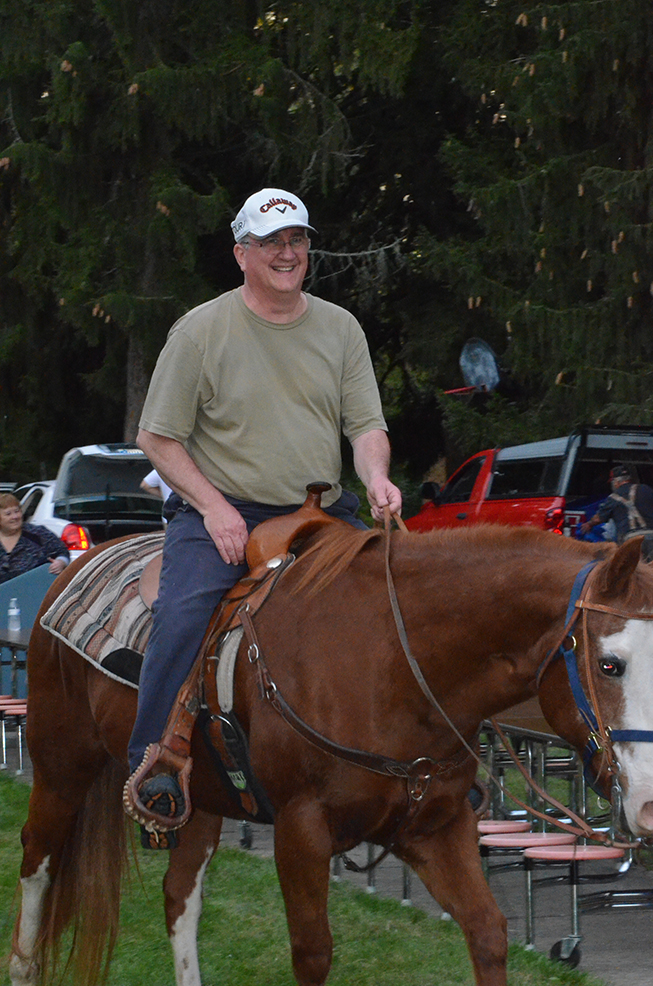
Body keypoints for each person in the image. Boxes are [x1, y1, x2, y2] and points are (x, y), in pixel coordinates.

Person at [125, 187, 402, 832]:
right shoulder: (200, 330)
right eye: (272, 242)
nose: (287, 252)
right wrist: (215, 508)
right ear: (241, 253)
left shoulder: (340, 327)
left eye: (298, 239)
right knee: (186, 612)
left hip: (320, 513)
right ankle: (155, 766)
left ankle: (423, 763)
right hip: (224, 512)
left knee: (402, 597)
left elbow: (365, 427)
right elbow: (157, 438)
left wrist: (379, 476)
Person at [580, 464, 653, 560]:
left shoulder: (613, 498)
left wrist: (589, 524)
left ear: (616, 482)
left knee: (636, 571)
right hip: (651, 535)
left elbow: (599, 518)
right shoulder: (646, 489)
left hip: (630, 540)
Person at [0, 493, 70, 584]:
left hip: (35, 591)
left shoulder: (38, 534)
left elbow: (63, 552)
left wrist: (61, 562)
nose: (15, 517)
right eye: (8, 514)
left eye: (17, 511)